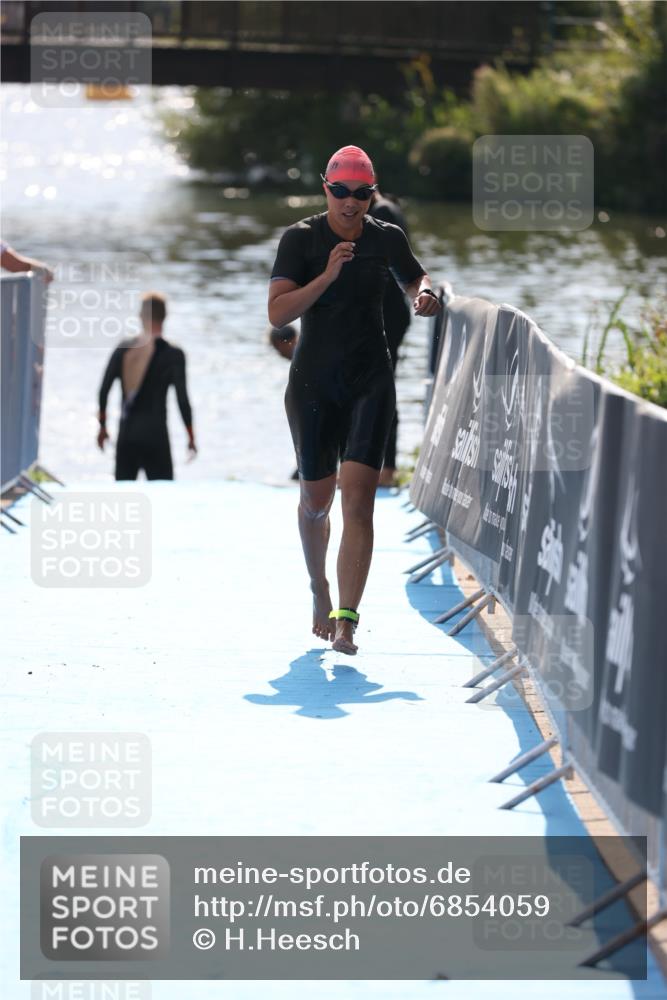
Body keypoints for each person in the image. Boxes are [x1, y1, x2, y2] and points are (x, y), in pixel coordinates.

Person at [268, 145, 441, 655]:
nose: (350, 202)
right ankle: (319, 587)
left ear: (372, 193)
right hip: (314, 384)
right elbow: (278, 314)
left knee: (359, 502)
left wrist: (423, 293)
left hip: (371, 378)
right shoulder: (300, 239)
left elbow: (416, 274)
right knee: (316, 504)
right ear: (325, 188)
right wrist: (325, 276)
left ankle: (347, 620)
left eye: (360, 193)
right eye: (339, 191)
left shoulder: (386, 237)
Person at [97, 291, 197, 480]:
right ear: (164, 316)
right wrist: (191, 436)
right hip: (156, 436)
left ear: (141, 317)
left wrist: (102, 427)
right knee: (163, 498)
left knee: (124, 499)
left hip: (126, 436)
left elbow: (103, 391)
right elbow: (182, 400)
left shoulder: (124, 349)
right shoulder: (173, 354)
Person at [367, 190, 412, 487]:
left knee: (381, 389)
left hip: (387, 315)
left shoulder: (383, 213)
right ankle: (379, 467)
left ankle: (387, 468)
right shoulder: (386, 209)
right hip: (380, 314)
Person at [267, 323, 300, 480]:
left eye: (275, 348)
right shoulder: (303, 353)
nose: (278, 353)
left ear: (282, 343)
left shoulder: (300, 356)